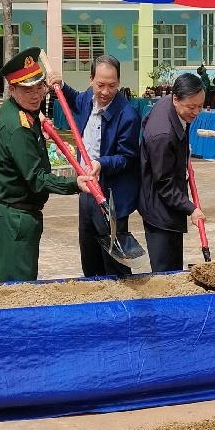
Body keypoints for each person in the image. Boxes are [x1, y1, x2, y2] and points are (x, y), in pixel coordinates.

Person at [0, 47, 97, 282]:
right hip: (17, 219)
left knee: (23, 282)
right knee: (18, 290)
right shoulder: (18, 127)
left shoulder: (20, 111)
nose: (35, 94)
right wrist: (75, 184)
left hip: (21, 216)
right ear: (12, 89)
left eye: (39, 87)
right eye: (27, 89)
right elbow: (37, 178)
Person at [48, 54, 141, 277]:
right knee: (88, 252)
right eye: (100, 85)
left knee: (114, 259)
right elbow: (74, 98)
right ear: (91, 80)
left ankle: (119, 301)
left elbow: (127, 157)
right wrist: (60, 85)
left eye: (112, 85)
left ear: (118, 82)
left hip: (110, 196)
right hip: (87, 191)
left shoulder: (127, 115)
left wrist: (101, 163)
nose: (106, 91)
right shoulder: (87, 99)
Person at [138, 73, 206, 272]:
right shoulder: (163, 135)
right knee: (166, 270)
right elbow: (165, 185)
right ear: (176, 99)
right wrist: (191, 208)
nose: (196, 112)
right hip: (159, 209)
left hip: (165, 198)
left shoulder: (169, 102)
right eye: (191, 107)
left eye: (200, 106)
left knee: (173, 264)